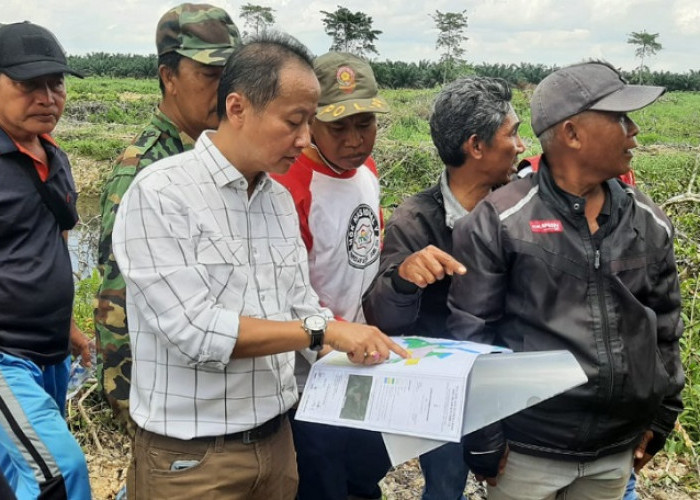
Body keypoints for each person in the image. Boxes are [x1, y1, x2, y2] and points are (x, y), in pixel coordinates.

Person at [112, 32, 407, 500]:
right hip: (195, 462)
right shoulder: (162, 194)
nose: (306, 138)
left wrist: (378, 362)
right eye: (294, 121)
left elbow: (300, 305)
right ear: (237, 108)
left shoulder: (275, 201)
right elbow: (196, 333)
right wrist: (323, 333)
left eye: (310, 122)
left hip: (276, 448)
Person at [447, 61, 684, 499]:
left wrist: (663, 415)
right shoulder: (500, 221)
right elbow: (472, 334)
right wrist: (483, 438)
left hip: (615, 451)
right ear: (571, 134)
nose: (633, 130)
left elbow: (666, 326)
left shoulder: (646, 221)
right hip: (525, 451)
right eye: (619, 118)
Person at [363, 77, 525, 500]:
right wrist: (402, 280)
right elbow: (386, 320)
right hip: (445, 386)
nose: (522, 146)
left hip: (511, 375)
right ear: (476, 146)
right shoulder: (416, 221)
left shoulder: (524, 208)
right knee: (446, 481)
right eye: (513, 133)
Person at [94, 2, 240, 432]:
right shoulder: (143, 170)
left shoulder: (219, 155)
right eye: (210, 76)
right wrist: (131, 405)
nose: (225, 92)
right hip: (164, 406)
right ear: (168, 77)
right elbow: (118, 300)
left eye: (231, 76)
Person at [272, 52, 392, 500]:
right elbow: (287, 289)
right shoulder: (290, 186)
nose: (354, 140)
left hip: (360, 359)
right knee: (321, 479)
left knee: (364, 473)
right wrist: (329, 341)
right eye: (337, 127)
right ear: (309, 124)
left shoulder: (367, 172)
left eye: (365, 124)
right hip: (311, 374)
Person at [0, 21, 92, 499]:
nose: (46, 97)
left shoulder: (53, 155)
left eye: (55, 83)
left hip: (48, 353)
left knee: (18, 475)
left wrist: (69, 330)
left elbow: (49, 245)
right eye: (26, 84)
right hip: (5, 359)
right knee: (59, 470)